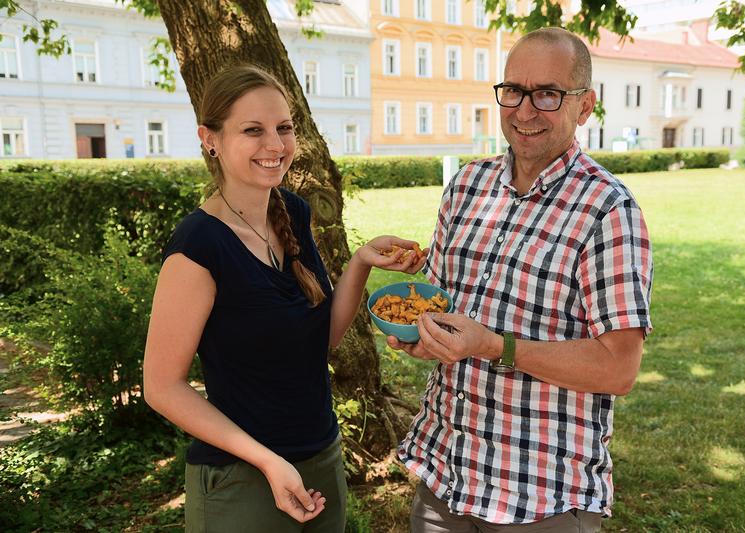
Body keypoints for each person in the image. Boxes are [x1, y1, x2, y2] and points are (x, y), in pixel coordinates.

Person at [390, 27, 653, 532]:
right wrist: (422, 337)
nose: (525, 110)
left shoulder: (608, 211)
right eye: (514, 90)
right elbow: (443, 310)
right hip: (444, 477)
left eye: (548, 94)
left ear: (585, 106)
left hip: (539, 496)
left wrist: (492, 345)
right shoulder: (466, 186)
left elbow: (618, 368)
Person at [142, 64, 425, 532]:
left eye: (284, 127)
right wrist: (268, 462)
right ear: (209, 138)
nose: (275, 145)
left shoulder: (290, 212)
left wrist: (360, 263)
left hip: (320, 457)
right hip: (242, 479)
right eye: (253, 130)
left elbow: (325, 338)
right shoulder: (198, 245)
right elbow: (162, 387)